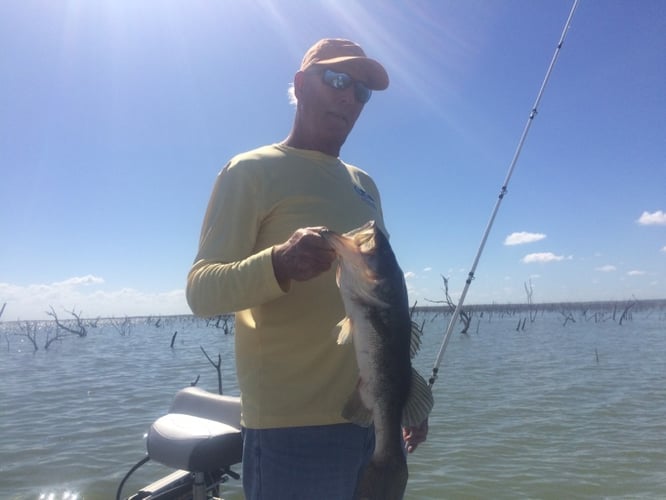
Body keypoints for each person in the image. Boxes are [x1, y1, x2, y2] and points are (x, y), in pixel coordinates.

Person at [186, 38, 428, 500]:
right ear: (299, 85)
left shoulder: (365, 184)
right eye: (338, 80)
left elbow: (386, 304)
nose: (349, 97)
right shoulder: (250, 171)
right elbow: (201, 291)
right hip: (291, 431)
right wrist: (278, 262)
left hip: (370, 419)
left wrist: (403, 400)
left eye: (362, 92)